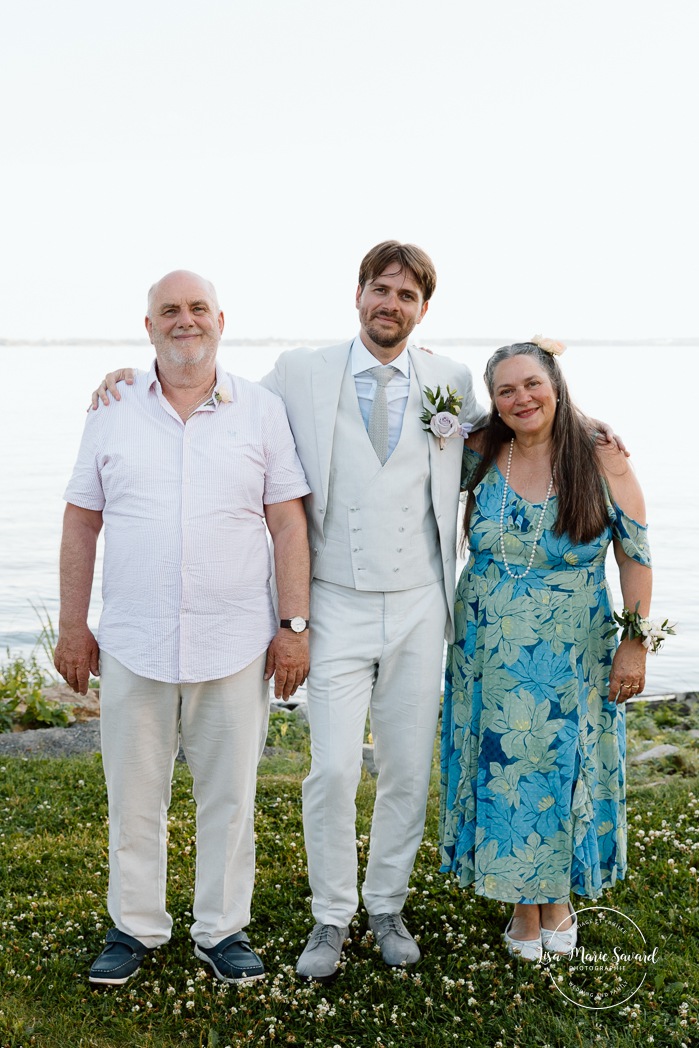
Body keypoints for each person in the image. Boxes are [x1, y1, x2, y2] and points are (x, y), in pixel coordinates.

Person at [90, 241, 490, 980]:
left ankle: (387, 905)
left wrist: (579, 428)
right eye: (379, 289)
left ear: (422, 309)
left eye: (405, 295)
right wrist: (126, 377)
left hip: (418, 604)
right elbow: (203, 381)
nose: (389, 304)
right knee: (332, 770)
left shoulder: (451, 381)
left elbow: (503, 436)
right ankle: (330, 917)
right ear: (359, 295)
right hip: (332, 602)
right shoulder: (299, 374)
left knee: (406, 768)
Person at [54, 270, 311, 987]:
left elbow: (286, 521)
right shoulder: (111, 408)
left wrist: (293, 626)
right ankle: (135, 927)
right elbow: (82, 519)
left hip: (234, 639)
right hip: (134, 638)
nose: (184, 320)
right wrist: (74, 626)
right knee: (134, 793)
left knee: (229, 797)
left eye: (197, 308)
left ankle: (221, 930)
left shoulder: (260, 410)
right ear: (148, 327)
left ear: (221, 321)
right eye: (169, 310)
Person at [439, 339, 653, 962]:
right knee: (503, 767)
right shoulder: (481, 451)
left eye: (531, 384)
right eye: (505, 390)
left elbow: (636, 559)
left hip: (572, 649)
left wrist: (634, 647)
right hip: (485, 647)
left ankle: (556, 900)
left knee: (562, 766)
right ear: (494, 402)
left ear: (555, 384)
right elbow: (403, 472)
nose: (521, 398)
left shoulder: (599, 458)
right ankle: (521, 905)